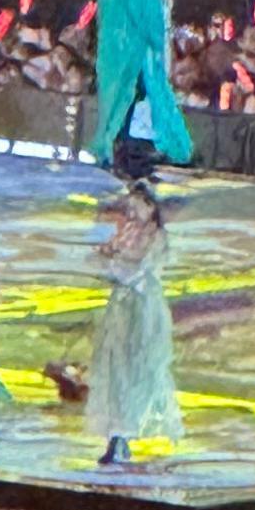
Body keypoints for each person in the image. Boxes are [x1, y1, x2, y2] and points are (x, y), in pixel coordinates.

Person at [93, 0, 194, 184]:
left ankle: (120, 149)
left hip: (112, 44)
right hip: (132, 47)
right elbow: (147, 14)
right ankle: (129, 153)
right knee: (136, 96)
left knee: (120, 98)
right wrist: (160, 33)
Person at [87, 180, 180, 467]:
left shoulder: (158, 237)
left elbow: (140, 273)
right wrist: (106, 258)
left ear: (150, 207)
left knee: (140, 369)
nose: (130, 211)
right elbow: (99, 261)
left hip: (145, 309)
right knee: (116, 370)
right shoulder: (126, 232)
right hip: (121, 308)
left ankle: (127, 434)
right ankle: (116, 438)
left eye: (135, 205)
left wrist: (113, 264)